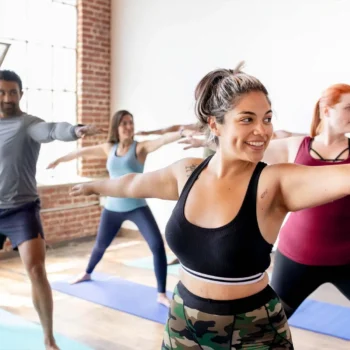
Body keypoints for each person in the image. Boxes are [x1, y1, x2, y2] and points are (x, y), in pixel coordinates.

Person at [69, 62, 350, 348]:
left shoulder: (273, 182)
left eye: (266, 119)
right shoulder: (187, 172)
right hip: (183, 321)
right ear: (215, 123)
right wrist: (94, 185)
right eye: (247, 119)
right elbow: (131, 183)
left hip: (252, 330)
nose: (262, 131)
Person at [0, 69, 103, 350]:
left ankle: (48, 337)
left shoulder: (27, 125)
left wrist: (74, 130)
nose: (7, 97)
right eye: (2, 92)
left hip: (21, 210)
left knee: (35, 270)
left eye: (12, 92)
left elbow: (52, 130)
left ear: (21, 95)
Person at [48, 109, 193, 307]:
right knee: (100, 245)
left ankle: (161, 294)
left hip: (136, 206)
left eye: (131, 122)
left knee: (157, 246)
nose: (128, 126)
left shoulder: (140, 148)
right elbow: (81, 152)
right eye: (124, 123)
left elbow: (162, 141)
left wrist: (182, 133)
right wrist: (59, 160)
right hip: (112, 207)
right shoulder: (110, 148)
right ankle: (87, 273)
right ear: (117, 127)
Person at [261, 83, 350, 318]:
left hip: (346, 257)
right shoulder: (295, 146)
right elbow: (246, 150)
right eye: (348, 108)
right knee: (270, 324)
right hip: (297, 256)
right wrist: (213, 137)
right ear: (327, 110)